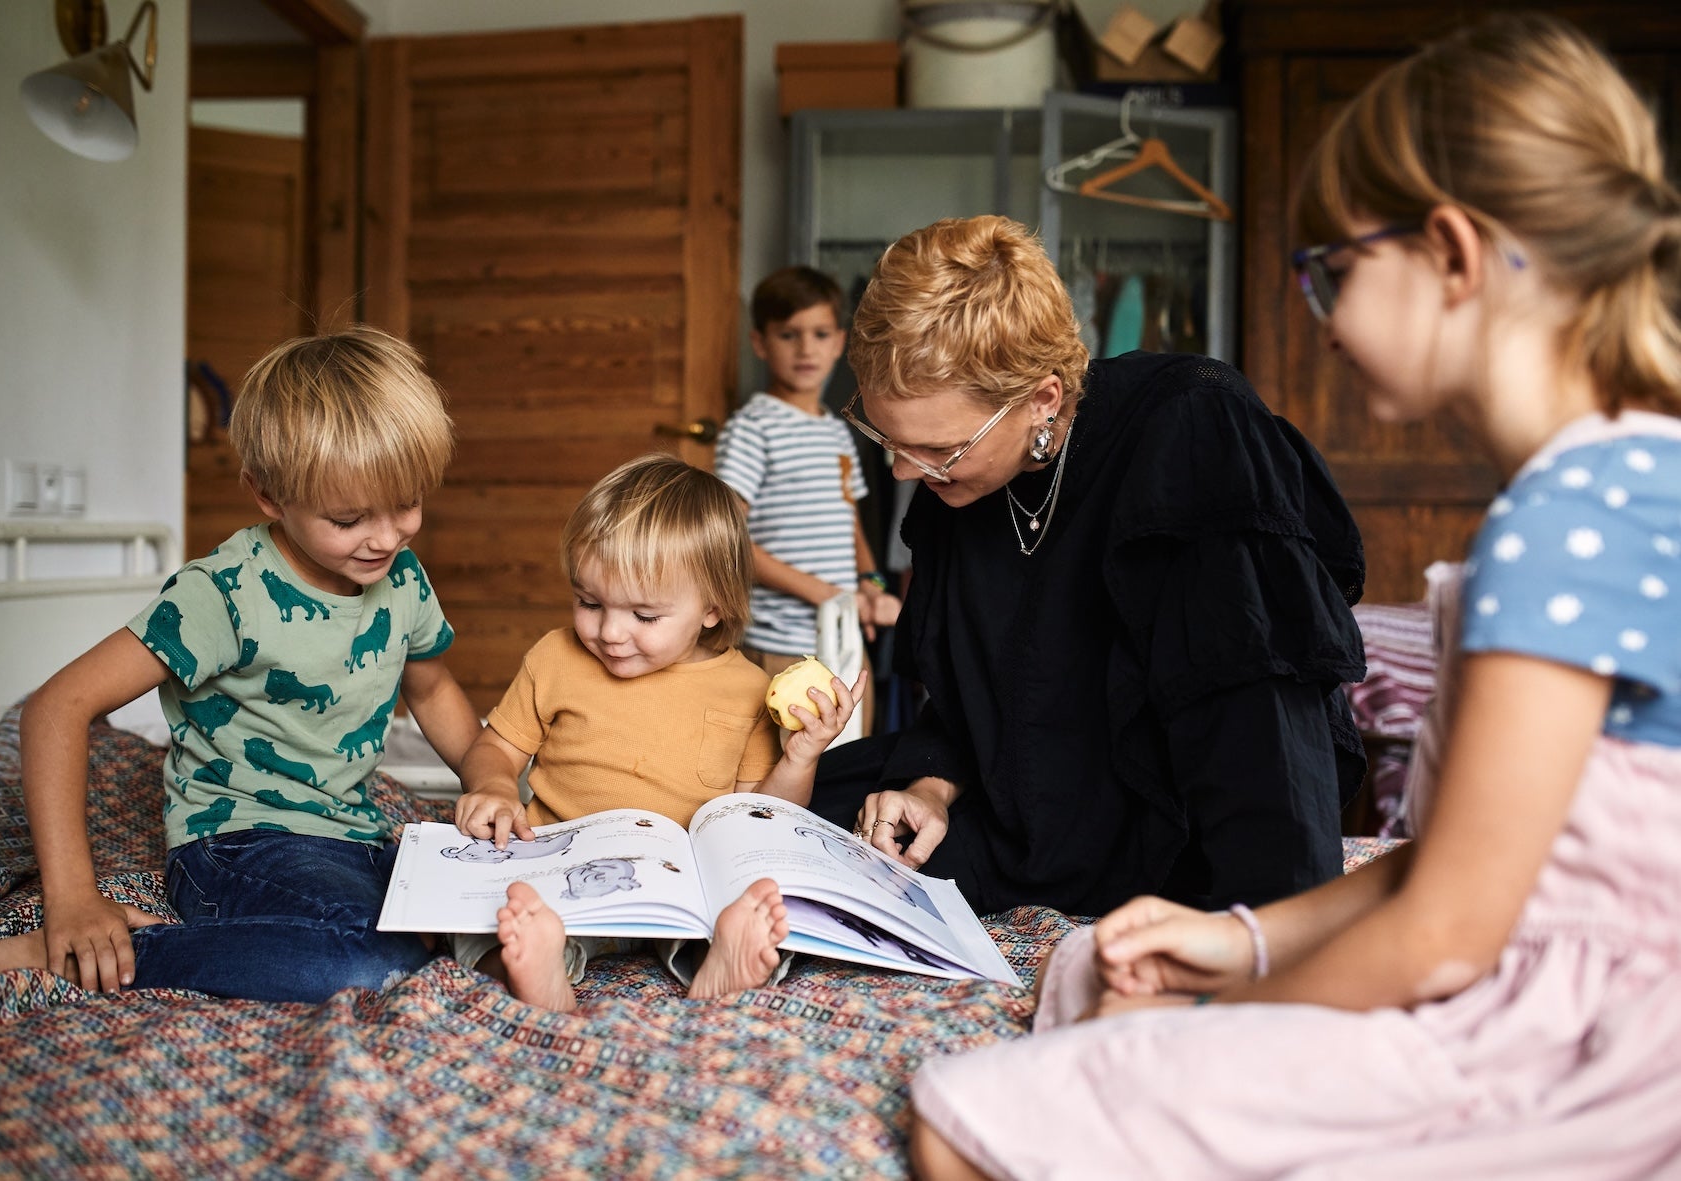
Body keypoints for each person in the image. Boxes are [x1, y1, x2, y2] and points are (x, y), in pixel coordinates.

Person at [909, 15, 1681, 1179]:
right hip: (1569, 982)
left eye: (1333, 271)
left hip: (1575, 1038)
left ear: (1450, 253)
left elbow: (1442, 934)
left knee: (963, 1113)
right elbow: (1445, 863)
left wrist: (1214, 1017)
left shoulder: (1558, 522)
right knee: (1082, 972)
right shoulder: (1630, 477)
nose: (1320, 321)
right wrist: (1237, 937)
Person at [808, 214, 1367, 919]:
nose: (904, 472)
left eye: (937, 450)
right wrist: (930, 784)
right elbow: (965, 701)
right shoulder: (957, 482)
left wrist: (1268, 931)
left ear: (1043, 399)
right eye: (888, 440)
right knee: (777, 823)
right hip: (1016, 812)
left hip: (1167, 832)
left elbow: (1260, 717)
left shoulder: (1191, 426)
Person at [0, 326, 500, 1004]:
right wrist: (73, 899)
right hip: (237, 845)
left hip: (359, 837)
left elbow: (431, 690)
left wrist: (490, 775)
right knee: (368, 961)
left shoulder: (401, 578)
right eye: (350, 518)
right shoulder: (224, 595)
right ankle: (111, 959)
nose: (386, 537)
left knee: (480, 922)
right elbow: (57, 706)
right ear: (269, 495)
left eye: (406, 504)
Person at [450, 454, 866, 1010]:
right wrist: (495, 786)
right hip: (563, 873)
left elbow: (758, 817)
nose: (610, 632)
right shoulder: (555, 657)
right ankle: (539, 966)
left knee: (757, 912)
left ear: (712, 608)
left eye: (645, 617)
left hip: (681, 889)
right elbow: (496, 747)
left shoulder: (747, 689)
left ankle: (720, 965)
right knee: (485, 922)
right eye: (589, 603)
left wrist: (800, 758)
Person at [714, 266, 902, 730]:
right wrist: (827, 595)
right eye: (788, 334)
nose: (805, 349)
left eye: (819, 334)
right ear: (760, 343)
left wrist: (870, 586)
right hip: (778, 648)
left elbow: (849, 523)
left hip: (842, 643)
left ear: (839, 343)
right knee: (779, 766)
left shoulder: (839, 433)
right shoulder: (752, 428)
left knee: (849, 757)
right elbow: (726, 542)